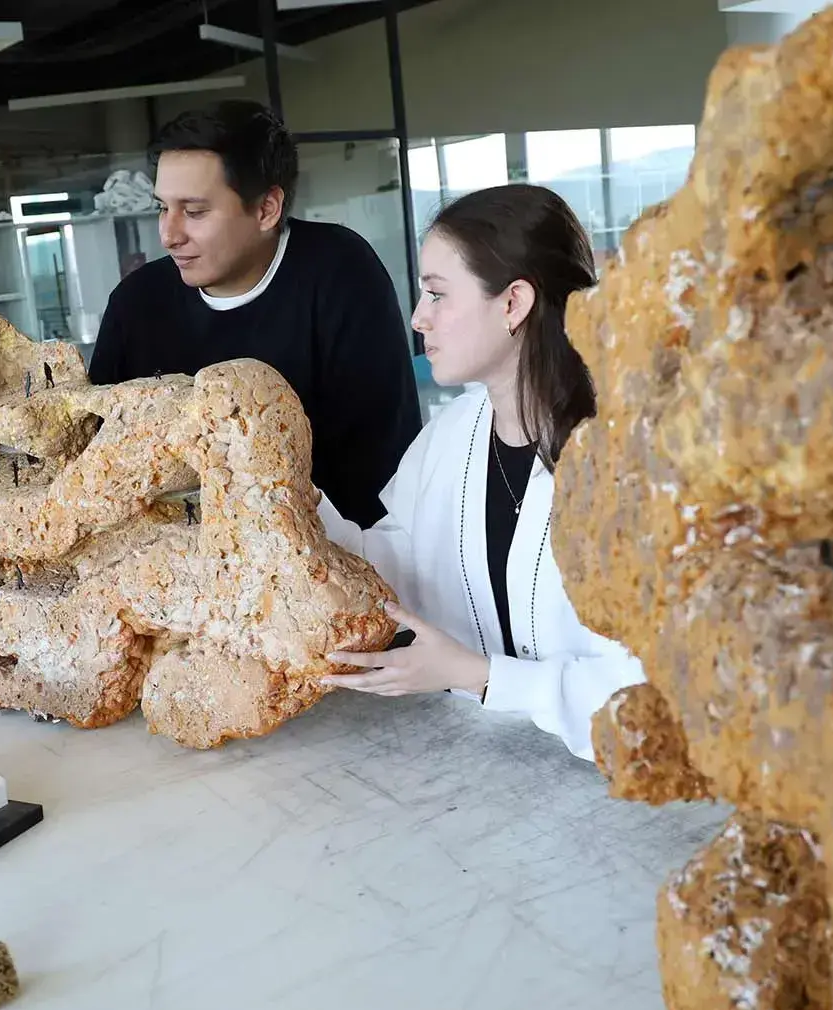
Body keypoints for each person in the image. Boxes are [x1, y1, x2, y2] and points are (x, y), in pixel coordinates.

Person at [317, 185, 644, 760]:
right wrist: (286, 495)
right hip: (487, 779)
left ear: (513, 303)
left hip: (629, 805)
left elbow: (658, 696)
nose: (419, 318)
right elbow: (390, 567)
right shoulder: (453, 436)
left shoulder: (634, 460)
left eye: (437, 294)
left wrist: (481, 676)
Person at [87, 100, 420, 528]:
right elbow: (98, 458)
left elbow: (382, 461)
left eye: (194, 212)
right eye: (161, 208)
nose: (169, 235)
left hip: (325, 548)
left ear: (266, 209)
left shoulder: (340, 272)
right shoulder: (136, 302)